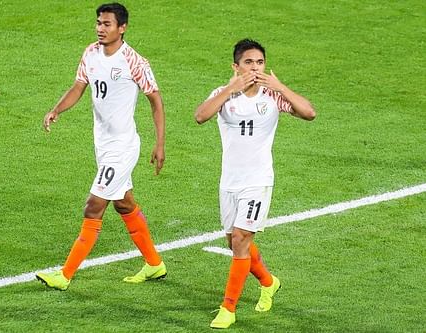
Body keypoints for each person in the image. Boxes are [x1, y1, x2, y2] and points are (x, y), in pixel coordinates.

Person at [36, 2, 167, 291]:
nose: (100, 28)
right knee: (124, 203)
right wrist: (56, 110)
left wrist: (160, 144)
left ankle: (64, 275)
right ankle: (155, 264)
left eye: (107, 24)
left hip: (123, 147)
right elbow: (78, 87)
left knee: (94, 206)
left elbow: (155, 101)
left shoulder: (134, 61)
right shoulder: (90, 53)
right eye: (98, 23)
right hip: (103, 145)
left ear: (122, 28)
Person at [194, 39, 316, 329]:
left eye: (259, 62)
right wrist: (229, 89)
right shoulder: (224, 95)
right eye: (248, 63)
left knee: (240, 239)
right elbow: (200, 116)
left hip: (258, 181)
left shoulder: (272, 97)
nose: (255, 68)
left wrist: (280, 85)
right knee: (235, 242)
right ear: (236, 66)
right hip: (229, 183)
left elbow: (309, 112)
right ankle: (269, 282)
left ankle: (228, 308)